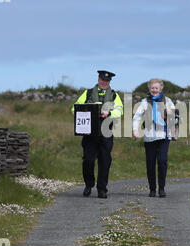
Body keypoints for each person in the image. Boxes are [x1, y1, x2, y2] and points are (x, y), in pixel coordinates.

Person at [71, 70, 123, 198]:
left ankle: (102, 189)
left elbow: (119, 111)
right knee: (88, 160)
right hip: (89, 133)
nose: (104, 82)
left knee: (105, 161)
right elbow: (74, 108)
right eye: (102, 80)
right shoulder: (87, 93)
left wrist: (109, 114)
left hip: (106, 132)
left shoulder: (115, 95)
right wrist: (88, 110)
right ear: (98, 79)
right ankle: (89, 184)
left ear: (109, 81)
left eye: (107, 81)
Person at [132, 78, 175, 197]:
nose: (154, 90)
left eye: (156, 88)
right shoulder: (145, 102)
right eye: (152, 88)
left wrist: (171, 113)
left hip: (164, 136)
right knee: (150, 163)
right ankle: (152, 189)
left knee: (162, 161)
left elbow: (176, 118)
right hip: (149, 137)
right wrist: (135, 130)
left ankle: (161, 188)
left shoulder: (168, 101)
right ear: (149, 89)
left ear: (161, 88)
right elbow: (137, 116)